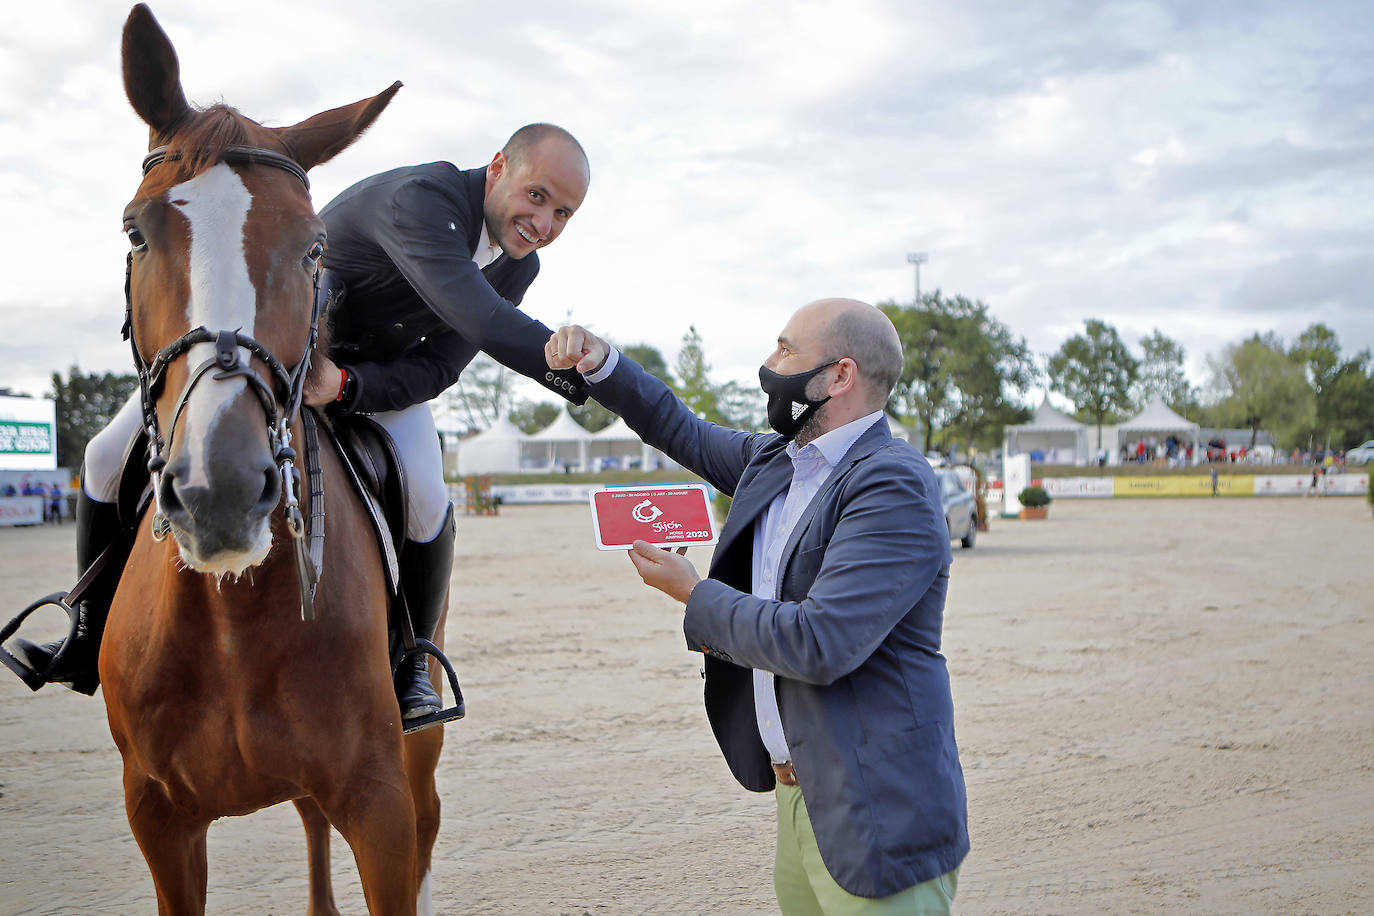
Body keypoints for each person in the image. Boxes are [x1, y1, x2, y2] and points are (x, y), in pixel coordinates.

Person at [7, 124, 593, 728]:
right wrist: (573, 369)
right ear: (497, 167)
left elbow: (441, 365)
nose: (543, 224)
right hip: (281, 353)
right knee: (105, 456)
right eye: (538, 196)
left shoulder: (520, 268)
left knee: (426, 492)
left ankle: (412, 660)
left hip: (370, 381)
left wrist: (349, 387)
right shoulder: (423, 200)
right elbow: (477, 314)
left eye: (563, 215)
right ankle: (85, 629)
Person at [547, 298, 968, 914]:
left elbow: (820, 643)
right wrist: (601, 363)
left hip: (878, 807)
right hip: (799, 796)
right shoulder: (777, 460)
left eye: (786, 349)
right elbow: (678, 427)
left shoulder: (892, 480)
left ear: (840, 375)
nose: (770, 365)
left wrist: (693, 593)